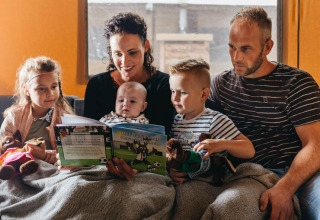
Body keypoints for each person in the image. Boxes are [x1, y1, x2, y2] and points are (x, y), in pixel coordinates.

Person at [207, 6, 320, 219]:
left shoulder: (297, 83)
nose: (236, 57)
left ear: (267, 47)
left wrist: (285, 188)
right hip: (249, 174)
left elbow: (316, 145)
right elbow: (205, 130)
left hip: (302, 174)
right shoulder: (220, 85)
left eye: (246, 48)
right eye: (231, 47)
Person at [84, 12, 175, 180]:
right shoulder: (97, 85)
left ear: (145, 46)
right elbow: (89, 137)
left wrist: (136, 169)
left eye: (132, 52)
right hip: (102, 169)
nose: (124, 62)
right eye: (118, 54)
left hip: (146, 170)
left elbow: (164, 139)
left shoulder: (164, 84)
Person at [168, 58, 255, 184]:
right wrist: (172, 172)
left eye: (182, 93)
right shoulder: (177, 121)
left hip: (208, 182)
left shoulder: (215, 120)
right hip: (184, 183)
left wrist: (221, 144)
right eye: (172, 91)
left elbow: (249, 150)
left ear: (203, 95)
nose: (175, 98)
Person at [0, 56, 74, 165]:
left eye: (54, 87)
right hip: (21, 167)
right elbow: (3, 152)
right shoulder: (14, 117)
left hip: (54, 169)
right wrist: (22, 152)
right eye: (41, 88)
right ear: (27, 90)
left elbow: (70, 157)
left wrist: (45, 156)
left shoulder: (65, 118)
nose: (50, 93)